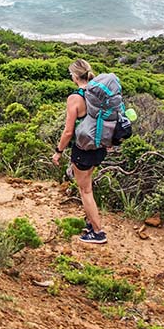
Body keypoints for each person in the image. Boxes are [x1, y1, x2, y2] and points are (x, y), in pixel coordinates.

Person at [52, 58, 108, 244]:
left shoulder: (75, 98)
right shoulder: (99, 93)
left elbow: (68, 131)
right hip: (100, 147)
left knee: (85, 191)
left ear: (75, 76)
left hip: (83, 148)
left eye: (71, 74)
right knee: (88, 184)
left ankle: (98, 232)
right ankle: (91, 221)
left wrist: (59, 151)